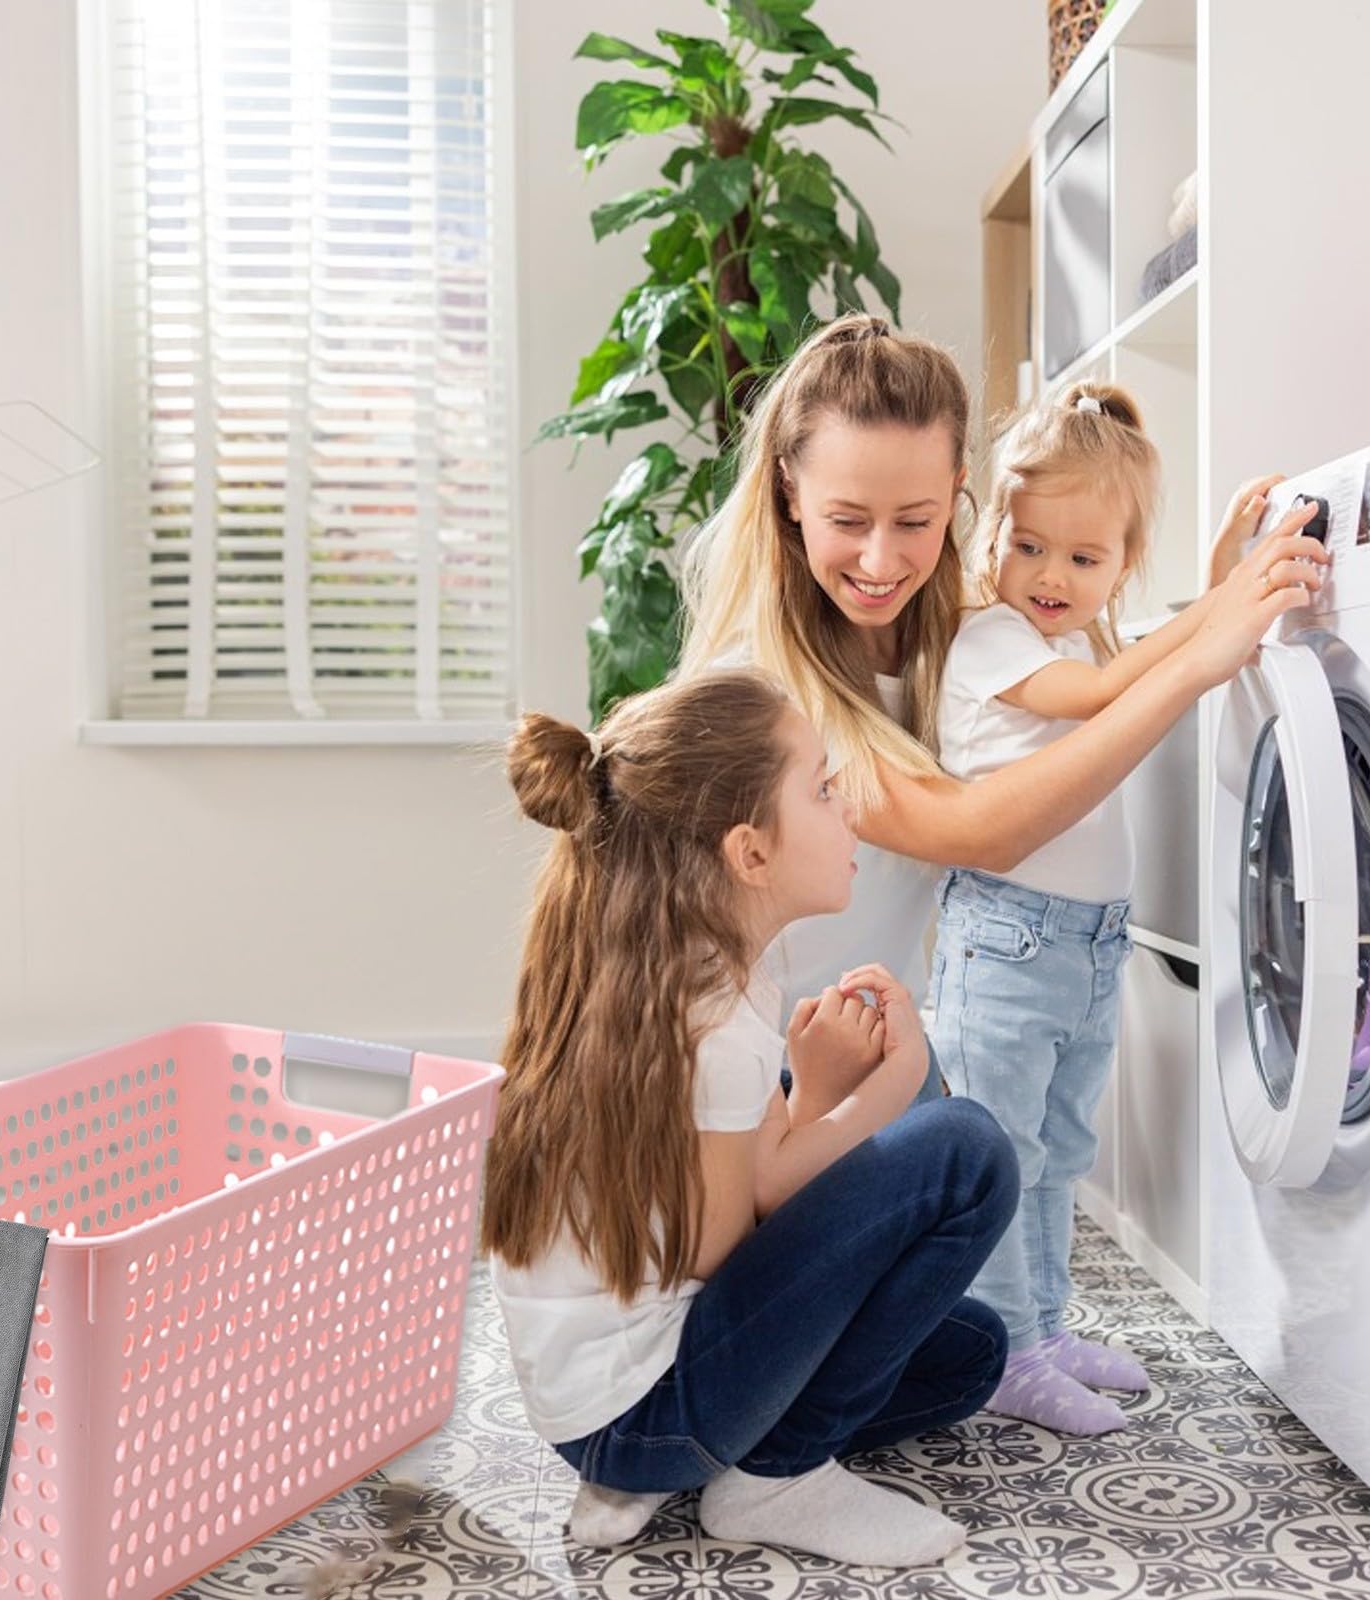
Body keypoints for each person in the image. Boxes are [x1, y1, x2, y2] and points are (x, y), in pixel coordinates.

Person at [484, 670, 1018, 1567]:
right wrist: (889, 1084)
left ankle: (669, 1475)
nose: (845, 802)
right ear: (750, 853)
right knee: (963, 1149)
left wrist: (816, 1094)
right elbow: (730, 1244)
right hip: (640, 1410)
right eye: (819, 787)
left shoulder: (698, 974)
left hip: (631, 1396)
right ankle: (776, 1476)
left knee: (967, 1354)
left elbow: (740, 1200)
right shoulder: (709, 1017)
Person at [678, 314, 1327, 1022]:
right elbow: (982, 830)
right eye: (849, 520)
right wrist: (1204, 651)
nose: (880, 560)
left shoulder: (962, 637)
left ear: (959, 492)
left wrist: (1213, 597)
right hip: (759, 1082)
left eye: (915, 521)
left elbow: (1094, 661)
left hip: (879, 1062)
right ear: (788, 495)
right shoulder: (763, 693)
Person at [927, 382, 1315, 1434]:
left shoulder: (1078, 642)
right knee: (1003, 1155)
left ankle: (1041, 1328)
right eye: (1029, 546)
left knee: (1056, 1149)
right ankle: (1000, 1347)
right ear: (993, 537)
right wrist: (1220, 615)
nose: (1050, 576)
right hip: (1006, 941)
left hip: (1082, 947)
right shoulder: (992, 640)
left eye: (1085, 560)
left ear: (1120, 566)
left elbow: (1129, 661)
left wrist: (1218, 582)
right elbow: (1110, 699)